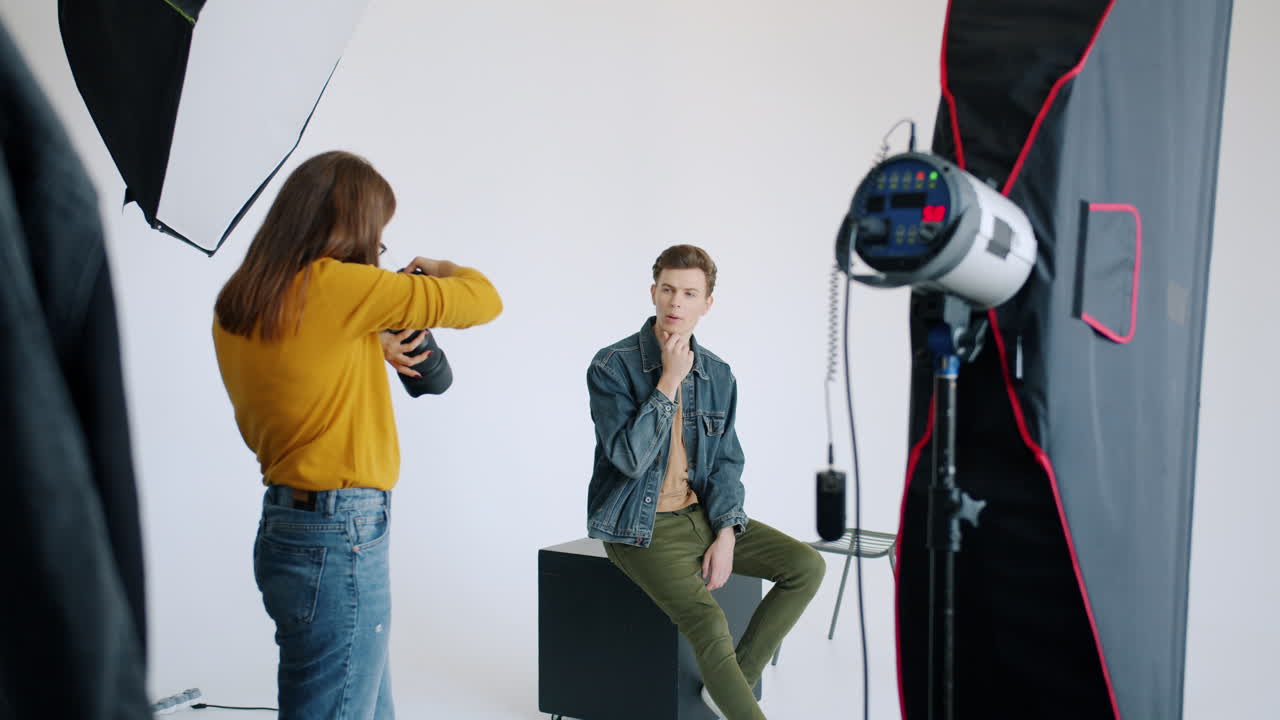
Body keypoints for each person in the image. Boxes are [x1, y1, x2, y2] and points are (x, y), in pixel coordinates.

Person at [212, 150, 502, 719]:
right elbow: (483, 300)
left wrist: (366, 347)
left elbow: (295, 380)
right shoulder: (343, 289)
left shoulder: (242, 300)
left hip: (286, 526)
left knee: (361, 706)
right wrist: (440, 264)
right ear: (352, 227)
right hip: (341, 532)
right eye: (380, 237)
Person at [586, 245, 825, 720]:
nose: (677, 302)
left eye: (689, 293)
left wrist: (726, 533)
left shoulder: (718, 373)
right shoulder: (612, 366)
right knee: (708, 622)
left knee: (805, 565)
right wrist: (669, 382)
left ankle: (735, 681)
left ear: (706, 303)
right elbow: (630, 459)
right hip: (640, 526)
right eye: (668, 290)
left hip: (700, 515)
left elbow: (725, 464)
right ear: (653, 292)